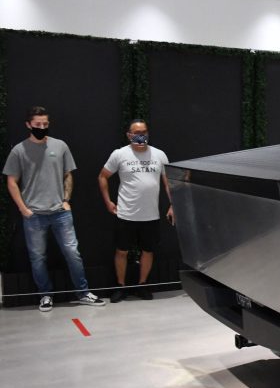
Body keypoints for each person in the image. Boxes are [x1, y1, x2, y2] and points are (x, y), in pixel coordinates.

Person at [3, 106, 107, 311]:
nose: (42, 127)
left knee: (72, 253)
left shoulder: (60, 146)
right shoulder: (19, 151)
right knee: (38, 258)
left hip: (60, 212)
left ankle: (83, 293)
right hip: (34, 215)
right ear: (28, 125)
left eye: (45, 124)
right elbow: (11, 181)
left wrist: (66, 199)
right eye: (37, 124)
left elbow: (68, 174)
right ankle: (45, 295)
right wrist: (24, 209)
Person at [98, 119, 173, 302]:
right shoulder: (120, 154)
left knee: (148, 251)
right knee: (122, 251)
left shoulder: (159, 155)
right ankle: (121, 287)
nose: (141, 135)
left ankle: (142, 285)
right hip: (126, 214)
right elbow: (102, 176)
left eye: (144, 132)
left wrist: (173, 205)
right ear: (129, 135)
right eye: (137, 132)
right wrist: (108, 201)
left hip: (151, 215)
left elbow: (168, 183)